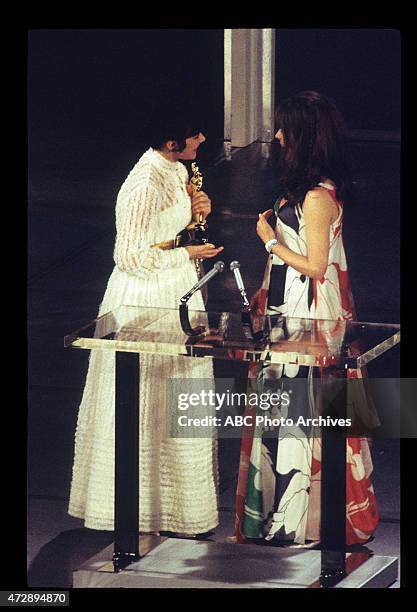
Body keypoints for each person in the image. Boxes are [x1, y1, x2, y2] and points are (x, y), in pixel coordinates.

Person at [68, 103, 223, 536]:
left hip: (174, 289)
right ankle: (135, 511)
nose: (202, 141)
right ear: (172, 141)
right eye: (194, 135)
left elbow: (167, 231)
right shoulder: (143, 182)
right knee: (144, 400)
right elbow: (131, 255)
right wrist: (188, 252)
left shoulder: (174, 168)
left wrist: (197, 216)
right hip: (145, 296)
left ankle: (177, 512)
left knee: (175, 396)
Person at [232, 91, 379, 546]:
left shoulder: (316, 197)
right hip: (293, 310)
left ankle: (302, 519)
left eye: (283, 129)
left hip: (310, 314)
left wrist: (269, 241)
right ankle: (286, 515)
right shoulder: (308, 189)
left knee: (306, 410)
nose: (276, 136)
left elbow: (316, 266)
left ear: (302, 135)